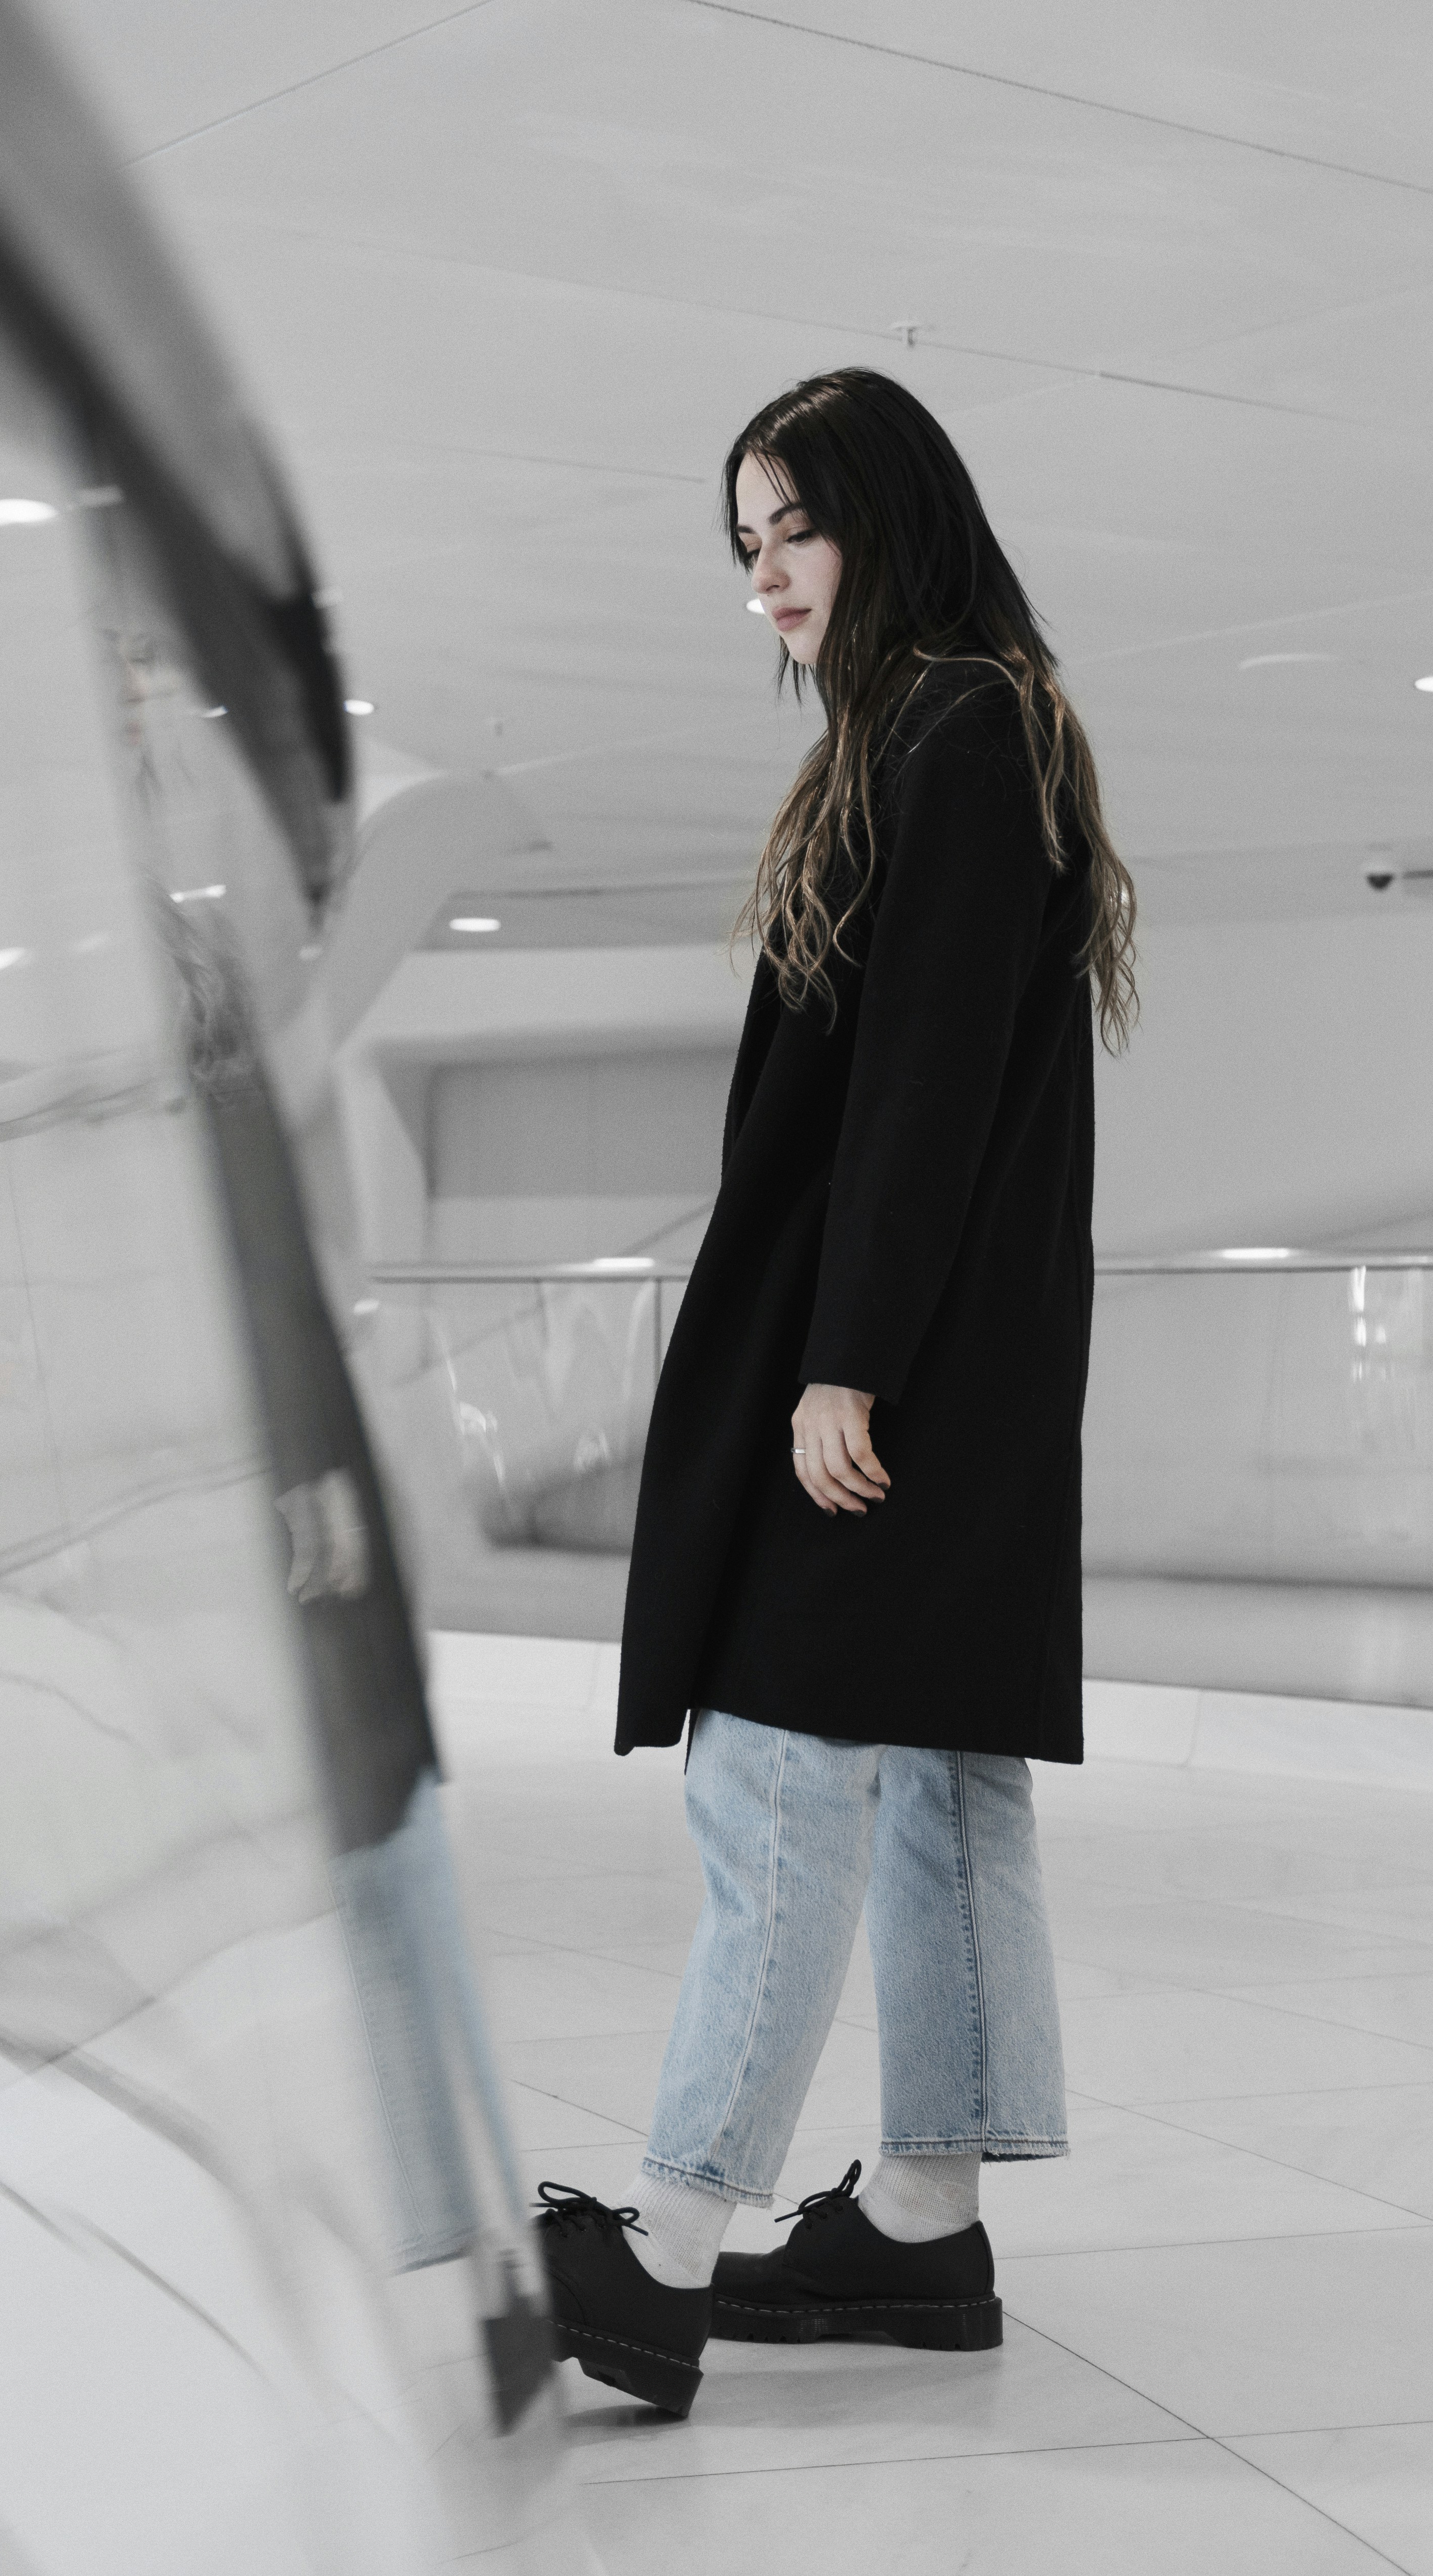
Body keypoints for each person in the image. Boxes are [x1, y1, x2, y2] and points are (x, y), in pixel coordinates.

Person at [532, 367, 1137, 2420]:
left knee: (776, 1784)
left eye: (793, 528)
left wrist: (843, 1355)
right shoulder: (974, 723)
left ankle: (665, 2246)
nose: (766, 578)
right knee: (942, 1782)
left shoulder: (951, 731)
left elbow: (923, 1077)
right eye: (745, 546)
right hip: (956, 1356)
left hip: (890, 1363)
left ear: (889, 519)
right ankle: (918, 2222)